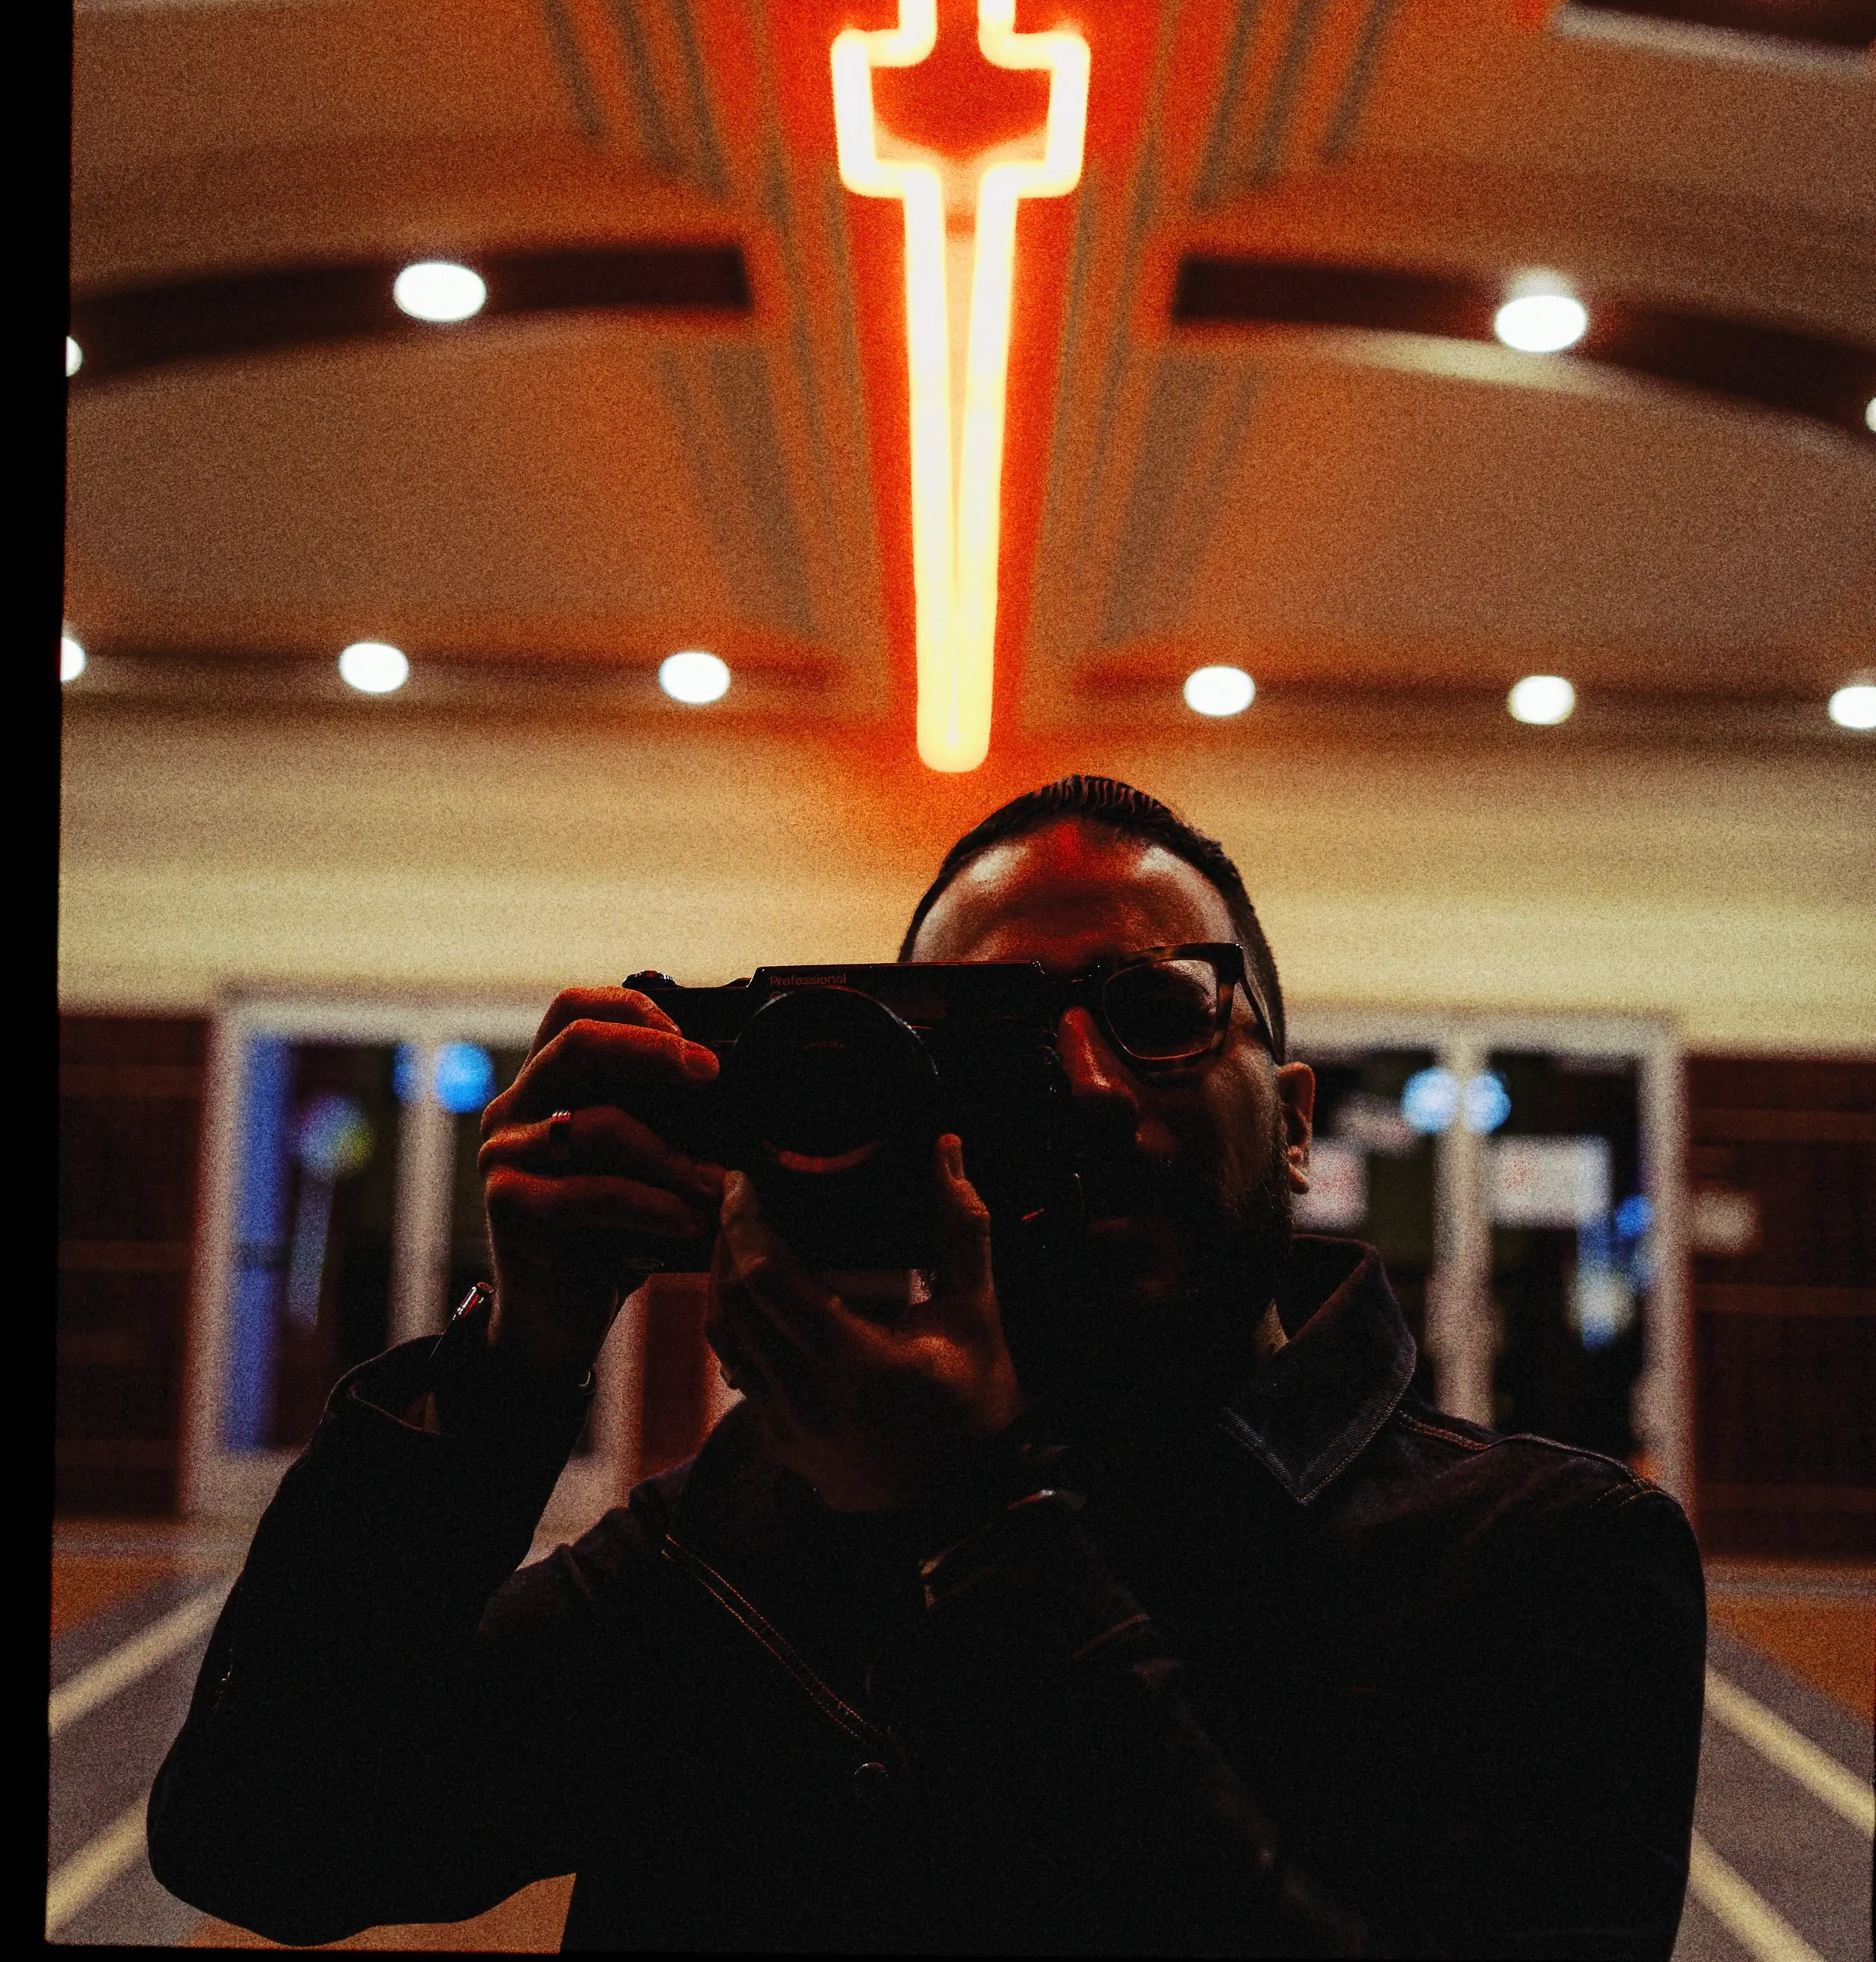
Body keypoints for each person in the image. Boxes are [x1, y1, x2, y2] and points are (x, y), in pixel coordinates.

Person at [150, 775, 1705, 1955]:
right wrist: (512, 1360)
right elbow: (271, 1830)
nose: (1089, 1086)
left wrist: (972, 1525)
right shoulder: (755, 1523)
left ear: (1293, 1114)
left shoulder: (1546, 1558)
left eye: (1158, 1011)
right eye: (1003, 1041)